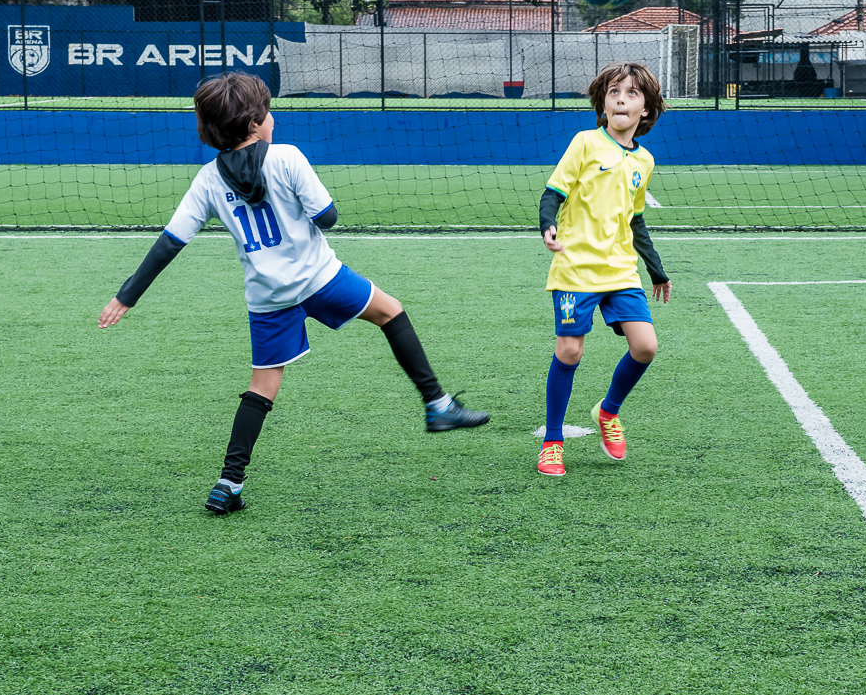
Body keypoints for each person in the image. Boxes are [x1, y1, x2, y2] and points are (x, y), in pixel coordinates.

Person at [98, 71, 489, 514]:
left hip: (267, 298)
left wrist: (126, 296)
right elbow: (328, 218)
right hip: (321, 278)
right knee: (391, 312)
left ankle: (229, 482)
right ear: (252, 124)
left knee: (262, 386)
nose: (271, 116)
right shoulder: (287, 157)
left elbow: (170, 243)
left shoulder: (207, 180)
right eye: (265, 111)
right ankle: (437, 405)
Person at [536, 62, 671, 477]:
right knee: (569, 350)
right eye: (614, 92)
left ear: (645, 110)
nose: (621, 99)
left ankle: (607, 411)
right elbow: (552, 193)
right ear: (603, 102)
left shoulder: (643, 161)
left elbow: (635, 220)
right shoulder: (584, 143)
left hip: (620, 270)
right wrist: (548, 226)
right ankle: (553, 442)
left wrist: (657, 271)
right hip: (576, 268)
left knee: (645, 346)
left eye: (631, 94)